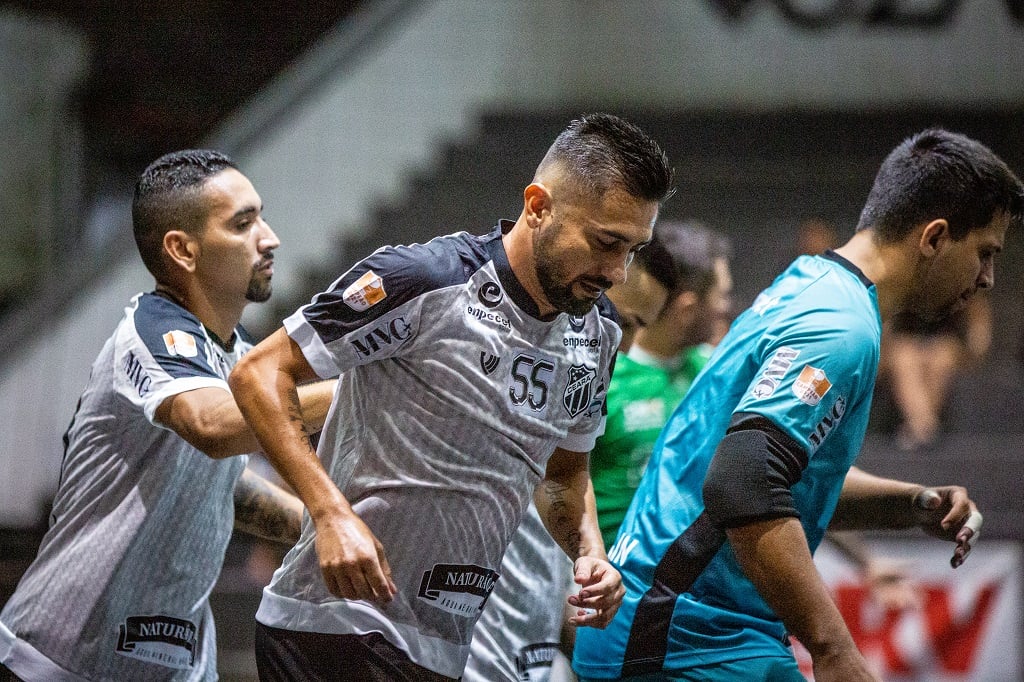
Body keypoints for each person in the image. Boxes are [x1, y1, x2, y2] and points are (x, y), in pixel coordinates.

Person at [227, 112, 676, 681]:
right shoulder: (424, 279)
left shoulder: (600, 333)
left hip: (442, 649)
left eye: (632, 249)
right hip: (335, 626)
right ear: (537, 206)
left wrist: (590, 554)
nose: (617, 271)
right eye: (605, 243)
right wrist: (329, 513)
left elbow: (563, 480)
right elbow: (257, 374)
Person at [572, 128, 1021, 682]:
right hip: (683, 633)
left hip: (682, 627)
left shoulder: (811, 284)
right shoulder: (842, 328)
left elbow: (774, 473)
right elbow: (744, 483)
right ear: (933, 238)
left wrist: (909, 504)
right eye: (985, 253)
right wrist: (833, 647)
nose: (988, 278)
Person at [0, 149, 335, 681]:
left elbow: (223, 484)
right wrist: (353, 393)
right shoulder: (150, 331)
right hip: (63, 662)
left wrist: (328, 524)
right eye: (243, 224)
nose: (269, 238)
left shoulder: (231, 353)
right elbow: (212, 428)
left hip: (175, 664)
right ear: (183, 250)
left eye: (261, 218)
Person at [462, 236, 676, 682]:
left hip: (531, 648)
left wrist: (590, 562)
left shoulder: (579, 389)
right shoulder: (493, 355)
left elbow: (560, 485)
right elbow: (353, 397)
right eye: (626, 320)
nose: (628, 344)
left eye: (638, 328)